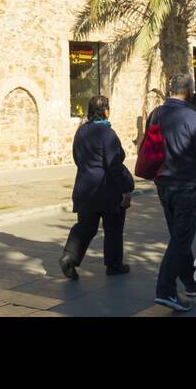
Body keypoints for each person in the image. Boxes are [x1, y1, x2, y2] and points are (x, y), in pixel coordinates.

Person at [149, 72, 196, 313]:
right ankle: (165, 290)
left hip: (163, 184)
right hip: (187, 185)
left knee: (179, 235)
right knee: (181, 238)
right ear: (189, 91)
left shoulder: (155, 114)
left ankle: (192, 281)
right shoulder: (192, 116)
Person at [60, 95, 135, 279]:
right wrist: (125, 190)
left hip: (84, 187)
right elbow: (114, 164)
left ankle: (69, 256)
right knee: (113, 227)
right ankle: (114, 264)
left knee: (85, 226)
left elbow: (77, 158)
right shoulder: (108, 134)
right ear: (106, 111)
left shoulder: (81, 132)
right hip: (107, 190)